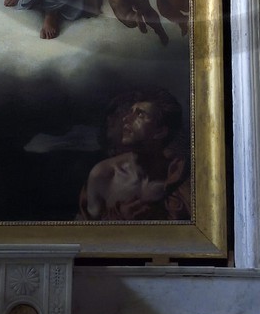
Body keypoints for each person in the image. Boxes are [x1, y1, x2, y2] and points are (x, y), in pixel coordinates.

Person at [81, 87, 189, 221]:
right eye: (131, 111)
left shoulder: (180, 178)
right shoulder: (103, 175)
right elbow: (87, 235)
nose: (126, 118)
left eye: (140, 114)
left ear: (160, 131)